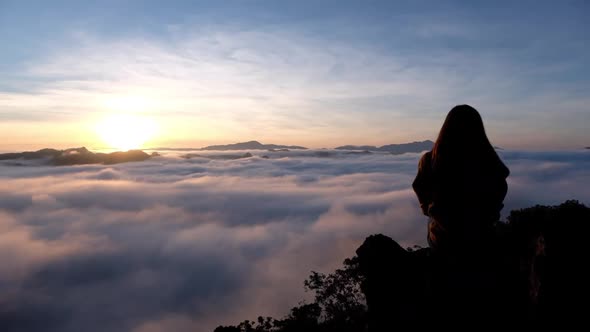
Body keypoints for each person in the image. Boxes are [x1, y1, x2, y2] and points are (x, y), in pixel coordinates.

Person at [412, 105, 510, 254]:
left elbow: (419, 186)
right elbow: (501, 187)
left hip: (444, 238)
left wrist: (428, 209)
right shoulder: (488, 161)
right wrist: (490, 215)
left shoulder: (429, 160)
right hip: (481, 235)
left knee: (433, 224)